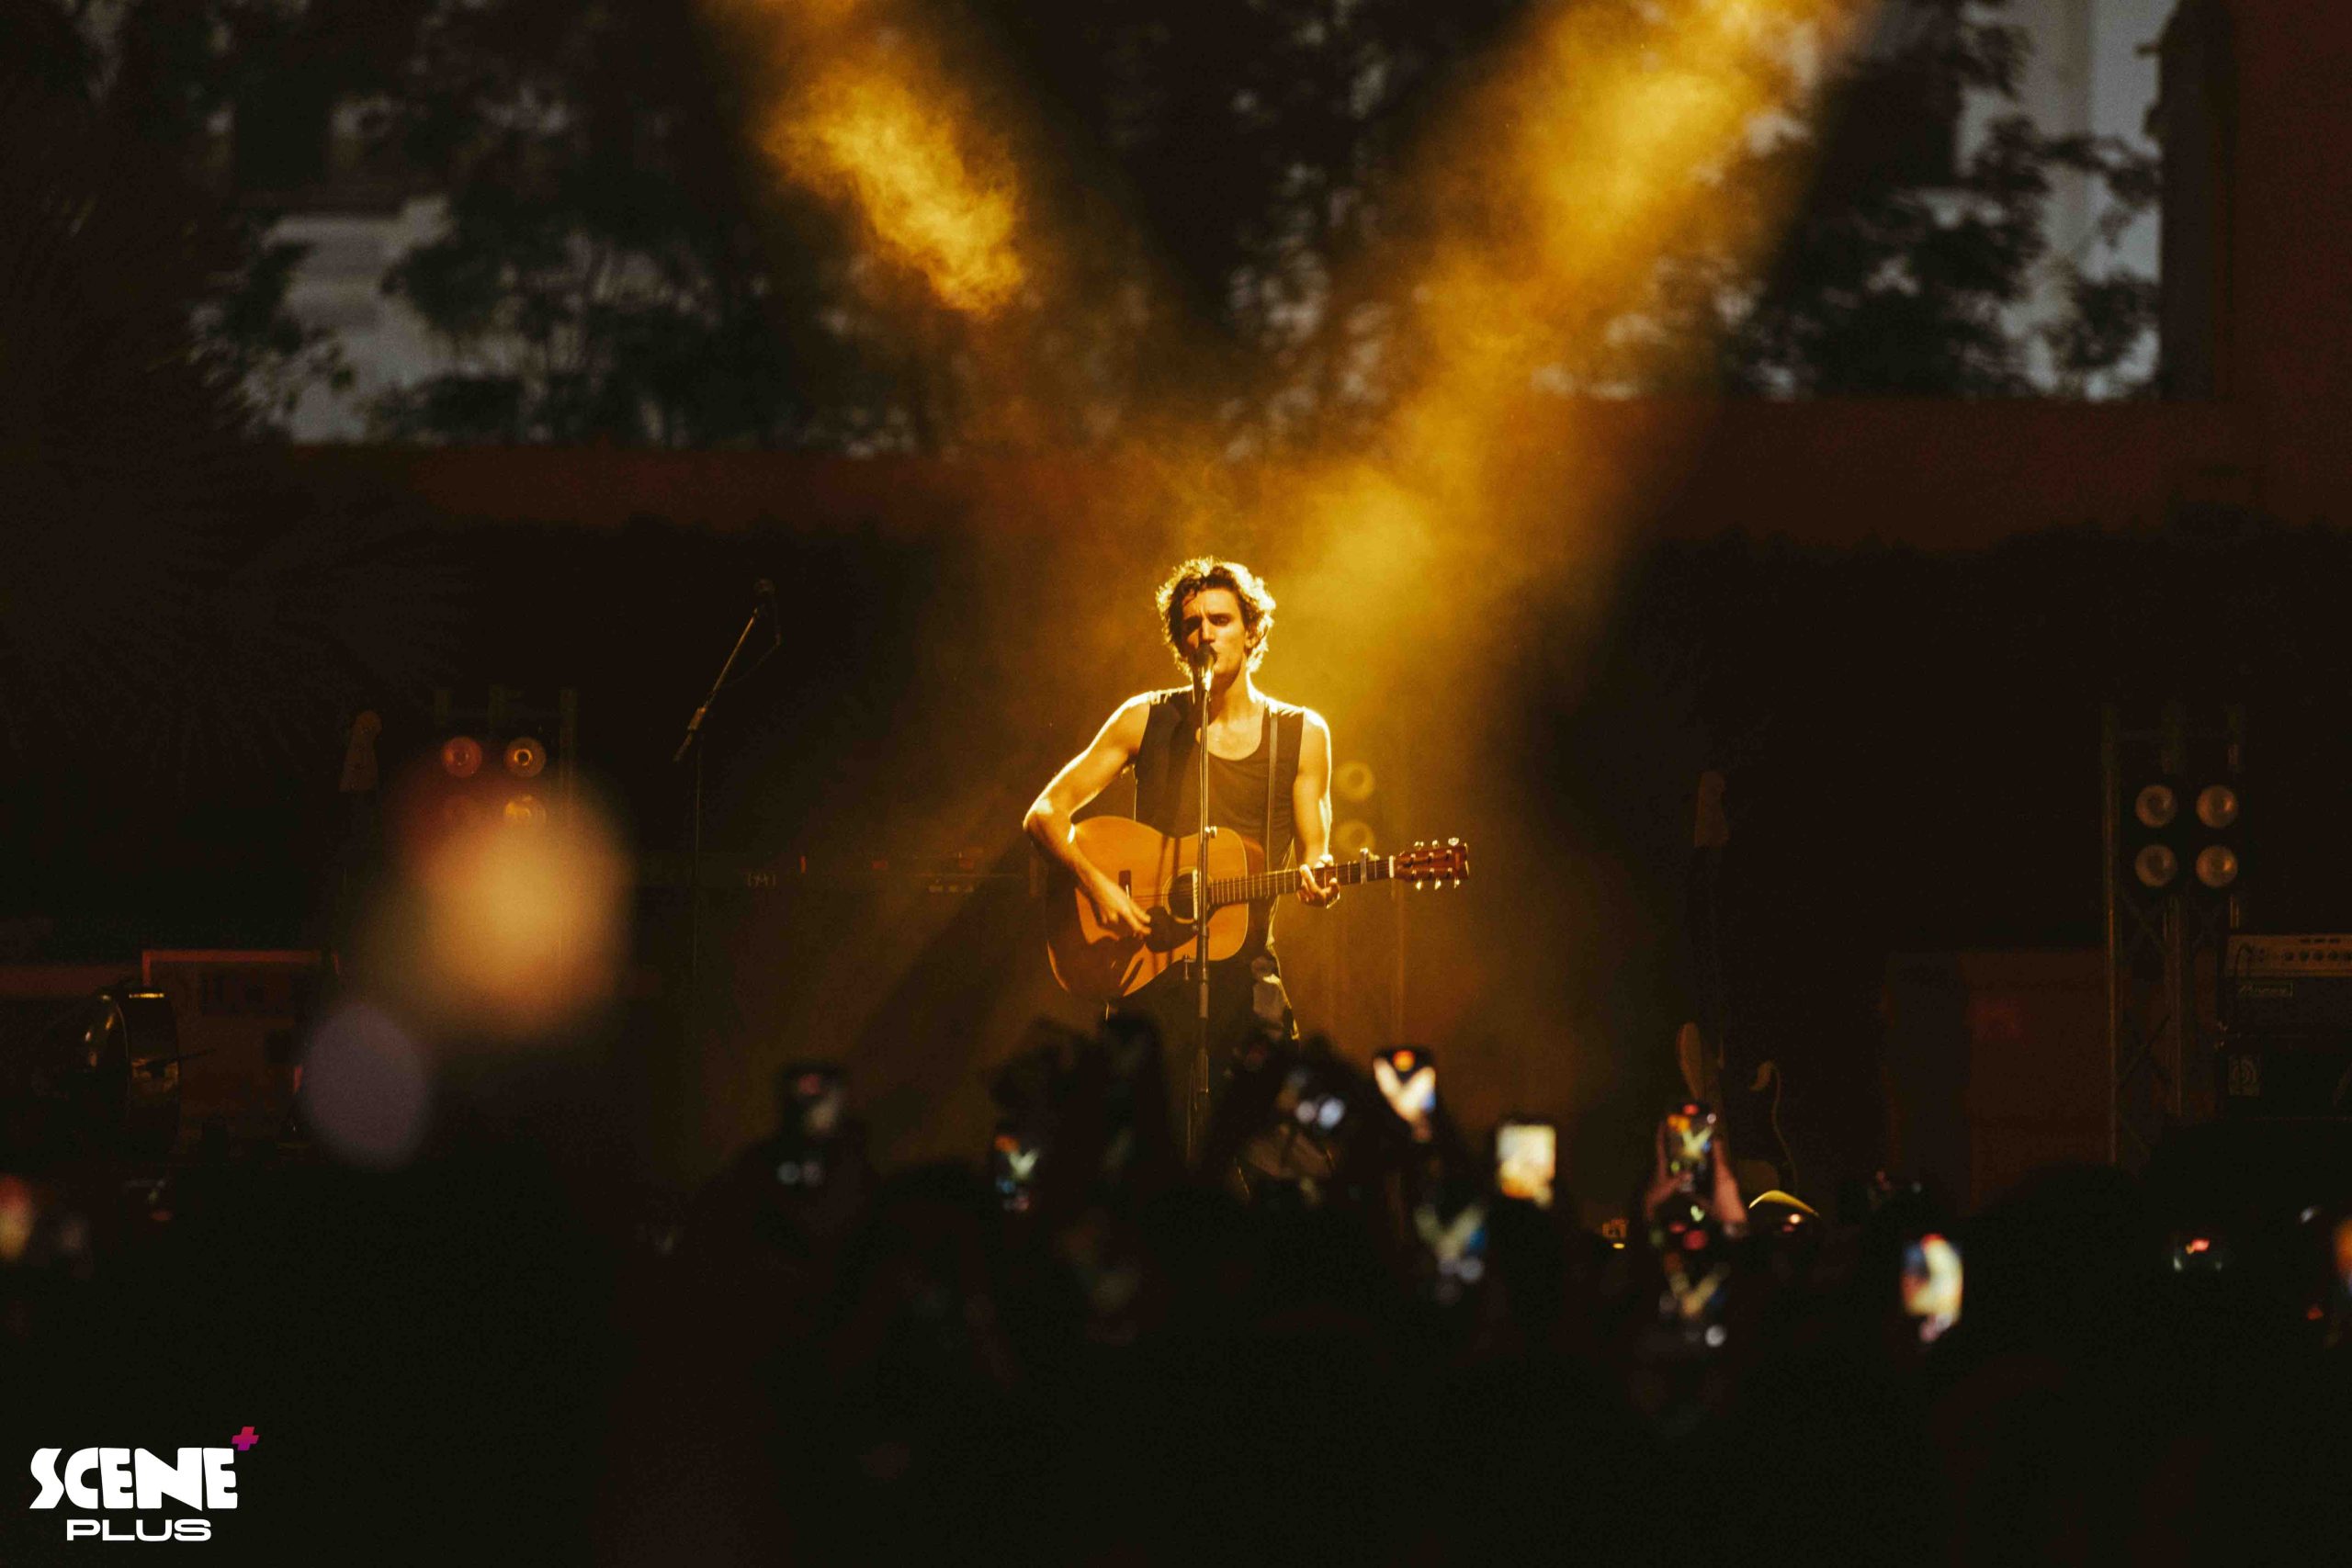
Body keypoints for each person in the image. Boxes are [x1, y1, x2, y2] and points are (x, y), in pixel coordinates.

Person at [1023, 558, 1340, 1141]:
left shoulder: (1301, 734)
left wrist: (1319, 876)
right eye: (1192, 625)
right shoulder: (1145, 718)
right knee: (1141, 1157)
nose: (1206, 635)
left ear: (1252, 631)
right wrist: (1098, 885)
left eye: (1221, 620)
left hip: (1247, 979)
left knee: (1281, 1151)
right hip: (1149, 975)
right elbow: (1044, 814)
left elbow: (1315, 853)